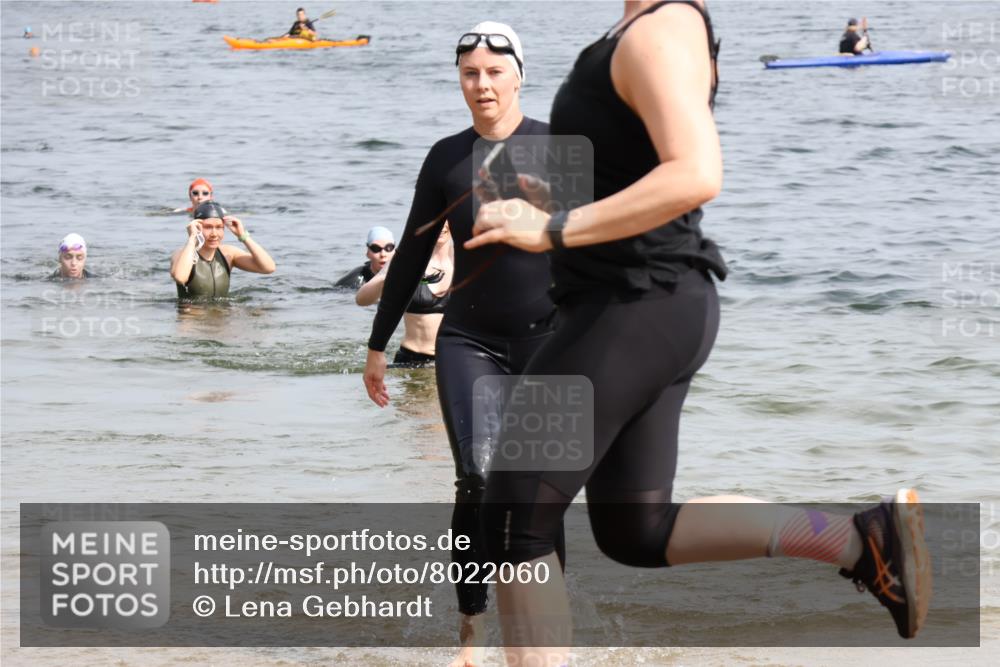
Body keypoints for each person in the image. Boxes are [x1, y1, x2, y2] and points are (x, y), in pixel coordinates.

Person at [465, 1, 930, 663]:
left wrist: (553, 229)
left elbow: (695, 172)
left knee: (515, 519)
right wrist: (546, 204)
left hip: (632, 306)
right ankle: (863, 542)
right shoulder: (642, 28)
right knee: (635, 529)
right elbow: (636, 167)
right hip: (646, 307)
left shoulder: (661, 27)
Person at [360, 22, 566, 667]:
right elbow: (411, 254)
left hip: (552, 343)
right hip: (469, 341)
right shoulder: (446, 157)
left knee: (540, 492)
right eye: (470, 73)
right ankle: (472, 633)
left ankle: (543, 632)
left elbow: (602, 244)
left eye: (495, 72)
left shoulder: (559, 148)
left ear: (519, 76)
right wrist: (377, 345)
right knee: (477, 478)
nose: (482, 85)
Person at [346, 225, 454, 367]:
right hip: (412, 362)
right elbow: (361, 300)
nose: (442, 223)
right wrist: (388, 277)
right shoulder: (407, 258)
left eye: (446, 217)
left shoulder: (465, 259)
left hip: (453, 360)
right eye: (437, 217)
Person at [170, 201, 276, 299]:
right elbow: (180, 277)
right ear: (197, 227)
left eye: (219, 227)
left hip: (223, 312)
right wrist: (192, 238)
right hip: (194, 313)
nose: (214, 234)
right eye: (208, 227)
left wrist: (242, 235)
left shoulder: (228, 254)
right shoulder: (181, 254)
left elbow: (268, 268)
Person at [335, 226, 396, 290]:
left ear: (395, 252)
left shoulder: (401, 274)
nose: (383, 254)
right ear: (368, 253)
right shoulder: (352, 281)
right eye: (376, 249)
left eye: (389, 248)